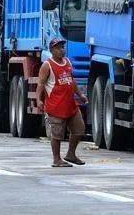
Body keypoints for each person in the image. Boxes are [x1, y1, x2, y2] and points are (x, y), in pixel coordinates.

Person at [36, 38, 88, 168]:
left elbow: (71, 80)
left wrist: (80, 94)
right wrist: (39, 100)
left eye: (63, 47)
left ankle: (71, 154)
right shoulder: (47, 65)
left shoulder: (68, 62)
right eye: (59, 48)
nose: (62, 50)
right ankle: (56, 159)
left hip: (70, 105)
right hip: (56, 106)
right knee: (57, 134)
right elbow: (41, 84)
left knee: (79, 130)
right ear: (52, 50)